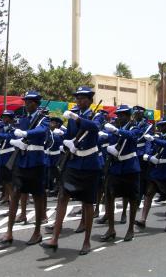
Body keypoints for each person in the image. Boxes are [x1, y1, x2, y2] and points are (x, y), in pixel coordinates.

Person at [40, 86, 101, 255]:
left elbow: (94, 128)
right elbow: (69, 136)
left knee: (88, 203)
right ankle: (54, 238)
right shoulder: (73, 116)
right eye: (77, 98)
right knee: (62, 197)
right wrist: (66, 141)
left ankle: (87, 241)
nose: (79, 100)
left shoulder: (96, 115)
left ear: (90, 100)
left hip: (89, 163)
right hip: (73, 163)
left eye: (83, 98)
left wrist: (76, 117)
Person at [0, 91, 49, 247]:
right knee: (15, 195)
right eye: (26, 101)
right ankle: (9, 232)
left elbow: (42, 132)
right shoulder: (23, 119)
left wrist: (26, 133)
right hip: (22, 161)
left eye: (30, 102)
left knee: (38, 197)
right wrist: (6, 137)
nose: (27, 104)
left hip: (36, 161)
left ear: (37, 103)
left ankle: (37, 232)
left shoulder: (44, 119)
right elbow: (14, 133)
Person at [100, 104, 140, 242]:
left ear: (129, 116)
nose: (120, 117)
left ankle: (130, 229)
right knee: (110, 197)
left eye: (123, 115)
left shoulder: (134, 127)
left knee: (132, 198)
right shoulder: (117, 129)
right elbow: (109, 142)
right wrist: (102, 136)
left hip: (130, 167)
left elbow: (133, 136)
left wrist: (117, 131)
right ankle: (111, 229)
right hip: (116, 167)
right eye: (119, 115)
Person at [135, 115, 166, 232]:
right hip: (157, 169)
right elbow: (151, 150)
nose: (160, 127)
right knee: (149, 193)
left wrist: (154, 140)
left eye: (163, 125)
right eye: (160, 125)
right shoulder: (158, 137)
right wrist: (149, 156)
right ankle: (143, 219)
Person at [0, 110, 16, 205]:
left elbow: (9, 137)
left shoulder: (14, 129)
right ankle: (7, 197)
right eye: (3, 117)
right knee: (4, 180)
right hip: (2, 155)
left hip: (9, 155)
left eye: (6, 117)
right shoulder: (2, 128)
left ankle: (13, 199)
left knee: (10, 180)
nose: (4, 119)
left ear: (11, 119)